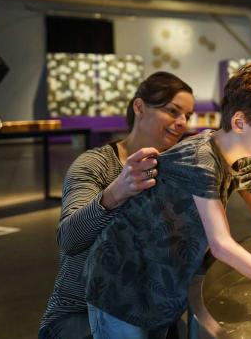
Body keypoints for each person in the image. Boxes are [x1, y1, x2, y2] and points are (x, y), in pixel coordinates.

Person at [82, 63, 251, 338]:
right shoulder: (201, 159)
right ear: (240, 122)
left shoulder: (241, 160)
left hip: (161, 278)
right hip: (120, 282)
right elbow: (222, 244)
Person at [39, 72, 195, 339]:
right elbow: (69, 239)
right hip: (80, 313)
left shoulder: (174, 169)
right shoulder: (95, 165)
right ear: (139, 107)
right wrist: (116, 192)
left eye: (187, 116)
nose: (181, 122)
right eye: (172, 111)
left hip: (146, 312)